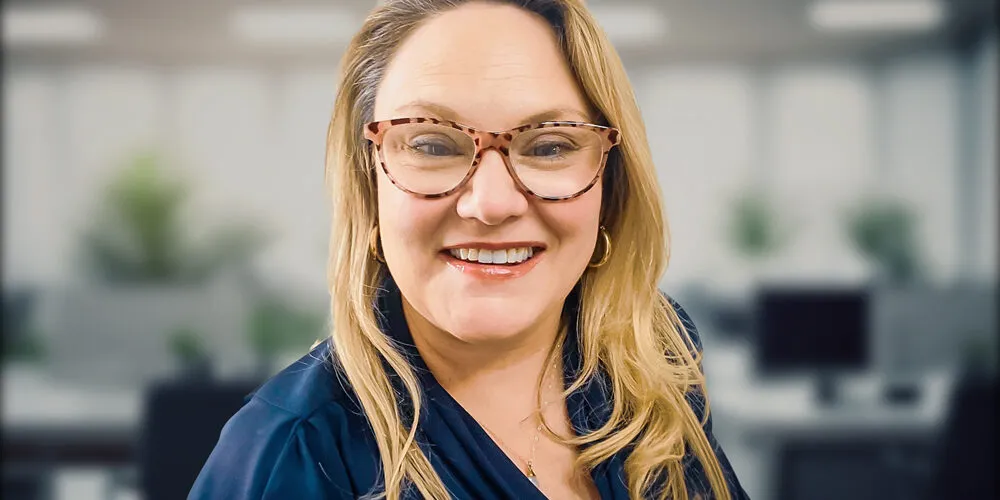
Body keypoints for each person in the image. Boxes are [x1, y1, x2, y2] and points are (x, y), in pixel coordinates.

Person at [190, 0, 749, 499]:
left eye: (550, 145)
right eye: (432, 143)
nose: (491, 203)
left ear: (611, 184)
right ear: (369, 186)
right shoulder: (287, 454)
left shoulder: (653, 351)